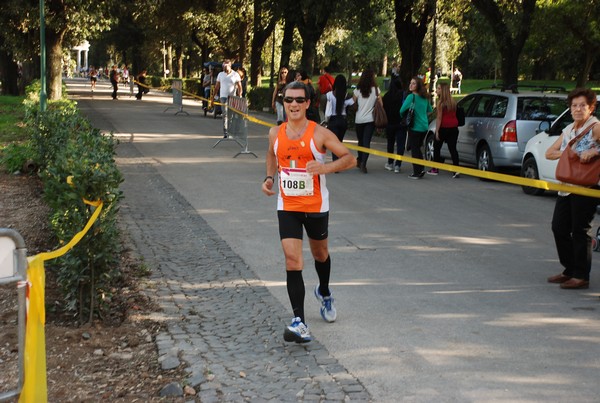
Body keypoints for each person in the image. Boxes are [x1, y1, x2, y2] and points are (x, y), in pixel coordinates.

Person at [261, 81, 356, 343]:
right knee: (293, 261)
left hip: (316, 206)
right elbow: (271, 155)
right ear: (283, 102)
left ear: (307, 103)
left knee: (320, 254)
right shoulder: (274, 133)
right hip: (288, 206)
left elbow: (350, 158)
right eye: (288, 99)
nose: (293, 104)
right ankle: (299, 322)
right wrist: (269, 178)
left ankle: (324, 292)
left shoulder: (319, 134)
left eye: (298, 100)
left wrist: (324, 169)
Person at [545, 88, 600, 290]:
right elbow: (549, 153)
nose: (577, 109)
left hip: (586, 186)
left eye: (582, 105)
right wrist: (569, 154)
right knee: (558, 227)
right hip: (567, 185)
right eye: (574, 105)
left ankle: (581, 275)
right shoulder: (569, 130)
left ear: (591, 107)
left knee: (580, 230)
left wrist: (594, 150)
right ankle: (569, 269)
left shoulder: (595, 126)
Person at [400, 76, 432, 179]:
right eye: (410, 83)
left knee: (415, 150)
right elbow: (430, 110)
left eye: (413, 83)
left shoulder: (411, 97)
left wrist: (406, 116)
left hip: (415, 126)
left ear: (417, 86)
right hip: (424, 126)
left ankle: (417, 171)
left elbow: (401, 110)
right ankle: (421, 168)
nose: (411, 85)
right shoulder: (425, 98)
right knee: (418, 148)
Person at [429, 82, 460, 177]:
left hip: (444, 127)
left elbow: (439, 118)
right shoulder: (453, 102)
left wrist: (437, 131)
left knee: (437, 148)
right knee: (453, 149)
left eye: (438, 88)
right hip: (454, 127)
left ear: (443, 91)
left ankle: (435, 168)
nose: (436, 90)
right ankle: (456, 169)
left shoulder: (440, 103)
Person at [352, 69, 378, 173]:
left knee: (360, 141)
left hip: (359, 119)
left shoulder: (358, 90)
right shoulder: (376, 90)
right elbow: (380, 102)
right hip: (370, 120)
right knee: (367, 142)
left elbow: (352, 102)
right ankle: (364, 163)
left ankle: (360, 159)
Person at [324, 74, 354, 161]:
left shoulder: (329, 95)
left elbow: (323, 104)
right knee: (339, 142)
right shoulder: (346, 95)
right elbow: (353, 104)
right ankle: (339, 159)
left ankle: (336, 160)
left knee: (334, 142)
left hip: (333, 121)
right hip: (343, 121)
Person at [382, 78, 407, 173]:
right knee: (400, 144)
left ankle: (390, 162)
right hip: (401, 123)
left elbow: (384, 109)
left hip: (390, 123)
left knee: (390, 143)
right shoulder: (403, 95)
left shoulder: (387, 96)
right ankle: (398, 164)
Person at [213, 59, 242, 138]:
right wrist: (213, 96)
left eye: (226, 66)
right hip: (223, 97)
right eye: (223, 66)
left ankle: (230, 130)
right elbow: (217, 86)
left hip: (232, 97)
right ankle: (225, 132)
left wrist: (240, 95)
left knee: (231, 115)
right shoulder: (220, 74)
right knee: (225, 114)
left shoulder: (235, 75)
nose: (225, 68)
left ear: (230, 66)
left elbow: (239, 86)